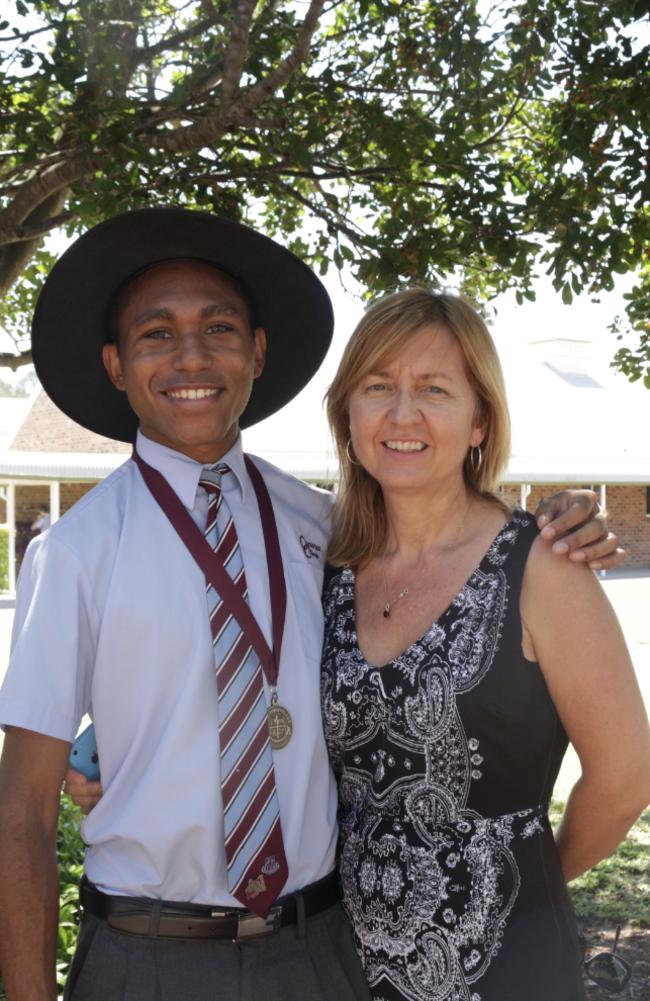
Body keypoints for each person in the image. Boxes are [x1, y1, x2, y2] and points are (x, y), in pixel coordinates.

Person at [0, 207, 622, 1001]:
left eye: (220, 328)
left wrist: (554, 516)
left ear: (257, 353)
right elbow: (21, 808)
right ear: (117, 364)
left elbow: (435, 544)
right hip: (148, 955)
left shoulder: (327, 529)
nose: (192, 354)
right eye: (157, 334)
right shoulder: (75, 552)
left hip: (322, 953)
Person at [320, 289, 650, 1001]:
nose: (402, 413)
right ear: (348, 413)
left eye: (433, 389)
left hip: (503, 963)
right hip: (341, 960)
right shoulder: (327, 563)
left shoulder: (543, 563)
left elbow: (626, 774)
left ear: (479, 420)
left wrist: (530, 877)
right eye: (378, 386)